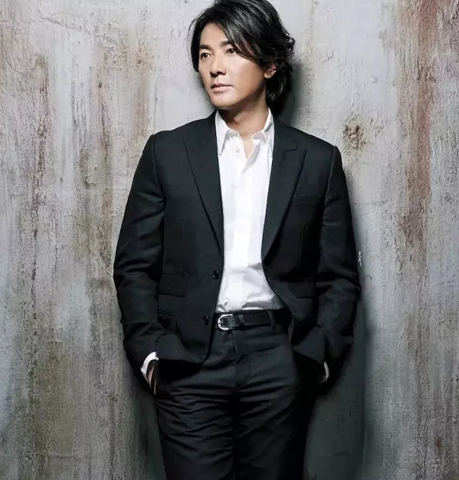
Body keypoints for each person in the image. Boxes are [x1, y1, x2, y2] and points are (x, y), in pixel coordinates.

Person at [113, 1, 361, 478]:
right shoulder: (168, 153)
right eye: (205, 54)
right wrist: (151, 355)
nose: (214, 67)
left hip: (279, 361)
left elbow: (339, 276)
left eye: (230, 50)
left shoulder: (317, 161)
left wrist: (317, 359)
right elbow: (134, 266)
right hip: (188, 362)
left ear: (270, 64)